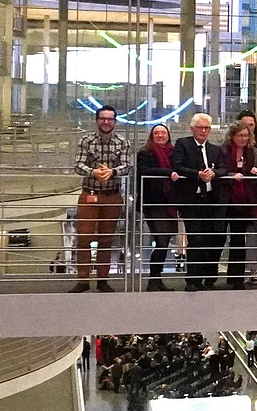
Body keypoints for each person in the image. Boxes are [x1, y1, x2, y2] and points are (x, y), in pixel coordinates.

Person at [71, 105, 131, 293]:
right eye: (103, 118)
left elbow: (127, 166)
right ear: (97, 120)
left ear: (115, 121)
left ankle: (103, 280)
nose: (106, 122)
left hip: (112, 196)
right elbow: (78, 166)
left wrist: (111, 172)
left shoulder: (123, 142)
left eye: (110, 119)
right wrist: (94, 172)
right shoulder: (86, 140)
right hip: (90, 194)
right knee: (84, 238)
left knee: (107, 239)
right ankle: (83, 280)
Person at [171, 113, 227, 291]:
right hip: (191, 199)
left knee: (211, 239)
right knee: (195, 239)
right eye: (200, 127)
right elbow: (177, 166)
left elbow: (223, 168)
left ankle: (207, 277)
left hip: (210, 200)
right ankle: (192, 280)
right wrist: (197, 174)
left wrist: (214, 173)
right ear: (192, 128)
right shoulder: (183, 144)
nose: (204, 131)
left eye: (207, 128)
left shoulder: (215, 149)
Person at [221, 121, 257, 289]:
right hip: (227, 199)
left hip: (246, 201)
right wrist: (232, 175)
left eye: (246, 135)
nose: (244, 138)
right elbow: (219, 170)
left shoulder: (254, 152)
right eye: (240, 135)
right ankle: (209, 276)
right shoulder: (223, 151)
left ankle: (237, 278)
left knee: (239, 239)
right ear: (232, 136)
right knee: (220, 238)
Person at [136, 123, 178, 291]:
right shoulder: (145, 152)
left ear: (168, 135)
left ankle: (156, 279)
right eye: (157, 133)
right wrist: (167, 173)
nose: (160, 136)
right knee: (161, 240)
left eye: (163, 133)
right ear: (152, 136)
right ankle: (153, 280)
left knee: (165, 241)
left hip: (170, 203)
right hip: (153, 203)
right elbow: (144, 171)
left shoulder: (174, 152)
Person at [234, 109, 257, 285]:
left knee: (255, 236)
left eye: (251, 125)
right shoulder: (227, 149)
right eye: (244, 126)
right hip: (236, 200)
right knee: (237, 237)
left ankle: (252, 271)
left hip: (255, 198)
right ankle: (237, 274)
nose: (247, 130)